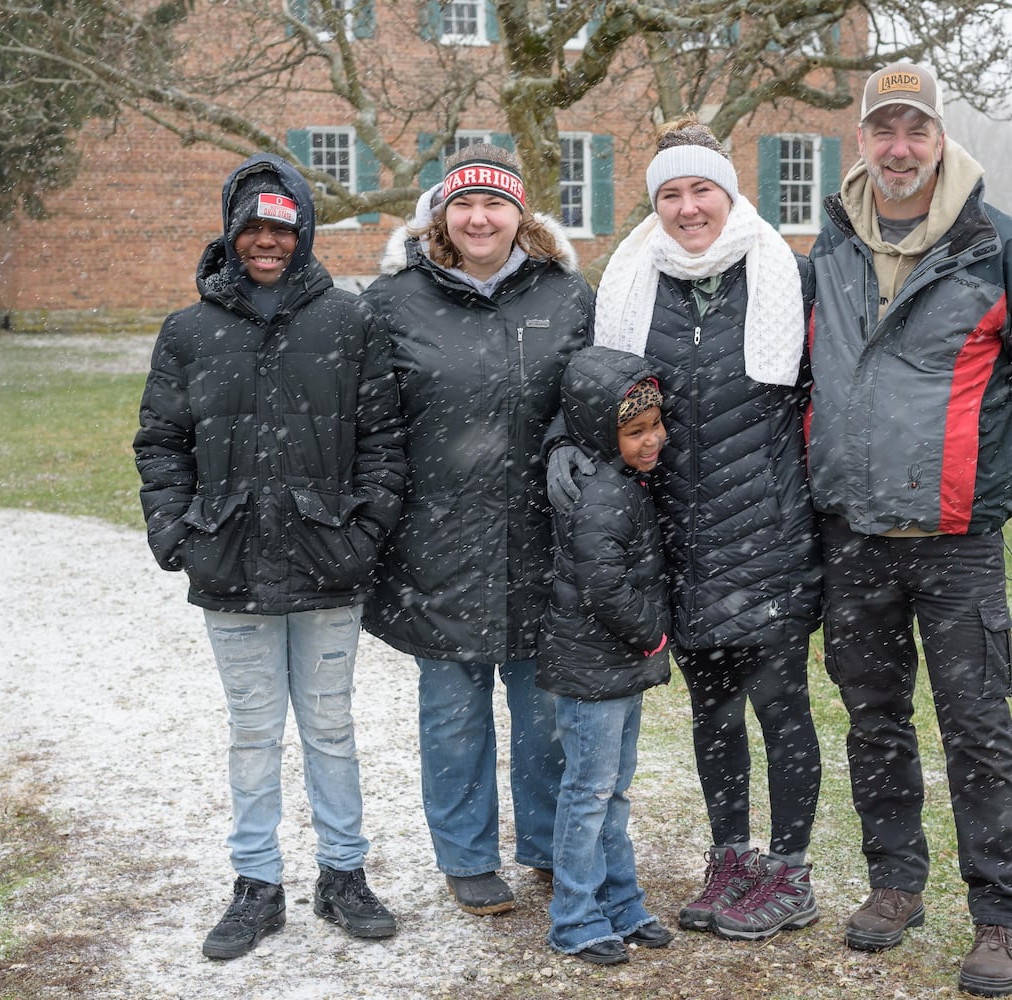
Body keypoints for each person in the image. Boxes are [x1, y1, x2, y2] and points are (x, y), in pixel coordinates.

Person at [806, 63, 1012, 996]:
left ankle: (1000, 915)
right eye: (882, 130)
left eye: (914, 131)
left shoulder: (998, 246)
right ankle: (894, 884)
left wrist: (995, 472)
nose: (898, 148)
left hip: (957, 542)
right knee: (874, 719)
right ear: (861, 142)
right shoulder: (831, 244)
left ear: (939, 140)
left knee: (977, 727)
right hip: (853, 535)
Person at [134, 153, 407, 959]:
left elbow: (386, 441)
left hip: (329, 560)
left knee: (329, 726)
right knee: (253, 733)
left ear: (304, 233)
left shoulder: (349, 321)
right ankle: (256, 884)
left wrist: (363, 531)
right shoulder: (190, 331)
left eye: (281, 228)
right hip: (229, 560)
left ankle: (343, 874)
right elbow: (161, 443)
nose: (266, 242)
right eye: (252, 227)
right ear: (231, 233)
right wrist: (176, 533)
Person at [558, 115, 824, 942]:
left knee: (781, 705)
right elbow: (597, 396)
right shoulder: (634, 283)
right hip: (680, 535)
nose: (686, 208)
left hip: (771, 531)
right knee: (713, 711)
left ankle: (789, 869)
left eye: (700, 188)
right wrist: (566, 447)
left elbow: (829, 396)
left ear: (729, 191)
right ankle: (731, 855)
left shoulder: (790, 276)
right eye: (669, 193)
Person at [361, 144, 591, 916]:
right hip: (438, 540)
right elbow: (369, 420)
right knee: (452, 713)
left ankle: (550, 842)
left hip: (542, 535)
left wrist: (568, 446)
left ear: (520, 215)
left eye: (495, 204)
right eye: (464, 205)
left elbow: (589, 391)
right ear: (441, 215)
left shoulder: (563, 294)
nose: (479, 217)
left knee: (545, 714)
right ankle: (465, 856)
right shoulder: (395, 300)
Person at [539, 346, 675, 965]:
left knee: (612, 790)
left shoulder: (623, 482)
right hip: (595, 666)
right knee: (590, 793)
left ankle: (621, 902)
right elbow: (604, 588)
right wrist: (653, 635)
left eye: (655, 425)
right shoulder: (601, 495)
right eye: (635, 431)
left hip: (614, 666)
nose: (653, 440)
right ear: (602, 432)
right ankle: (574, 917)